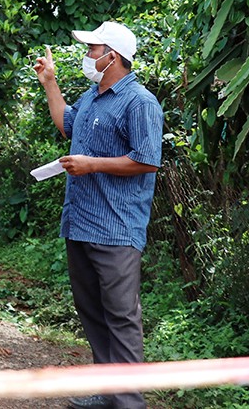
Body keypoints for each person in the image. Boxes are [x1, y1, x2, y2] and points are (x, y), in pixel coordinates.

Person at [33, 21, 163, 409]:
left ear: (114, 57)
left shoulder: (140, 102)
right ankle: (108, 393)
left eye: (93, 49)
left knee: (122, 318)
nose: (88, 55)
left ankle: (128, 403)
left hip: (117, 230)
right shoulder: (92, 97)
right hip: (81, 223)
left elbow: (146, 161)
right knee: (93, 314)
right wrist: (50, 83)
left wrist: (93, 165)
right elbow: (66, 125)